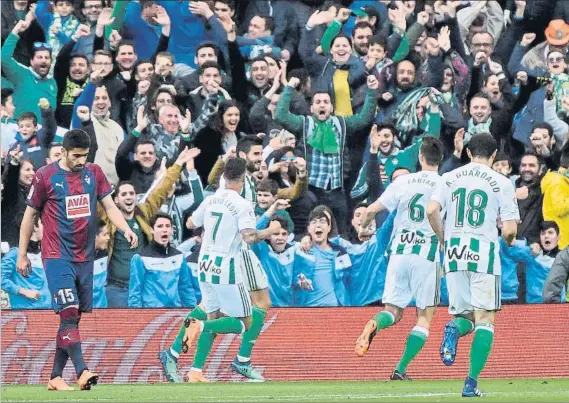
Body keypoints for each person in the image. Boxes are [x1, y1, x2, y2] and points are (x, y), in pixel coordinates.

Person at [17, 129, 139, 391]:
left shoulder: (93, 173)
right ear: (63, 152)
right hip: (56, 255)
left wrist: (126, 228)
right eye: (76, 156)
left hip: (85, 257)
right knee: (70, 311)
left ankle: (55, 377)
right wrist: (22, 254)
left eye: (85, 155)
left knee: (71, 319)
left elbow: (109, 206)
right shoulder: (46, 176)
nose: (81, 160)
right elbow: (29, 217)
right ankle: (82, 371)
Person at [426, 132, 519, 397]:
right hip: (484, 254)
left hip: (454, 254)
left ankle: (454, 328)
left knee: (464, 315)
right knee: (485, 320)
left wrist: (443, 239)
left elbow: (432, 210)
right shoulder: (501, 181)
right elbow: (510, 230)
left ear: (468, 153)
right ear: (493, 156)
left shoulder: (448, 178)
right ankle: (471, 383)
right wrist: (509, 240)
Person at [182, 158, 283, 383]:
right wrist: (271, 230)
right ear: (243, 179)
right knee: (244, 321)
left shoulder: (211, 199)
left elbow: (190, 224)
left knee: (214, 314)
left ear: (224, 177)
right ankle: (201, 328)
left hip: (204, 263)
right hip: (226, 266)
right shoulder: (242, 204)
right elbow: (249, 237)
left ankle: (195, 371)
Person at [354, 136, 445, 380]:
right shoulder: (445, 184)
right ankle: (401, 368)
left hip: (400, 253)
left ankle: (375, 323)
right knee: (424, 317)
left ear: (420, 157)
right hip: (427, 254)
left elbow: (372, 210)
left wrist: (363, 227)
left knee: (393, 311)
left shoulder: (403, 181)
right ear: (441, 160)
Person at [128, 212, 198, 308]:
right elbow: (135, 293)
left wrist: (192, 312)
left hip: (175, 313)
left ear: (171, 230)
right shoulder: (140, 258)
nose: (164, 230)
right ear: (151, 230)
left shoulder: (179, 257)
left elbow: (185, 288)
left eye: (167, 226)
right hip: (151, 314)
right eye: (160, 226)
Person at [1, 214, 51, 309]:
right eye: (42, 224)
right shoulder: (14, 254)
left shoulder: (45, 254)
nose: (45, 227)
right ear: (34, 227)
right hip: (25, 313)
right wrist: (23, 291)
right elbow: (1, 279)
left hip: (49, 311)